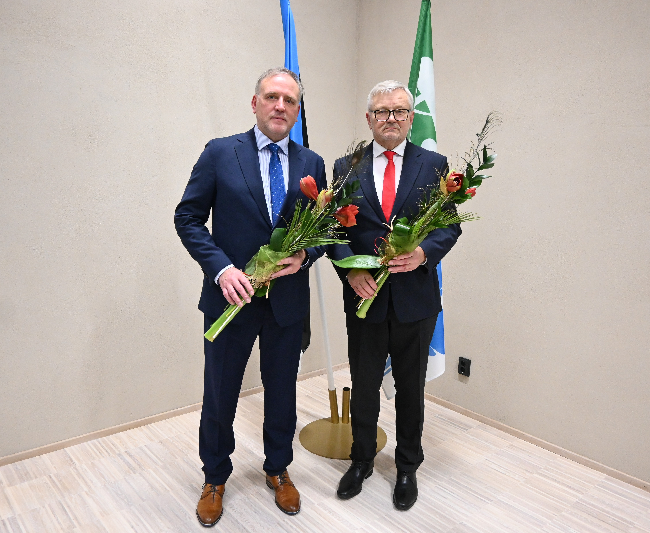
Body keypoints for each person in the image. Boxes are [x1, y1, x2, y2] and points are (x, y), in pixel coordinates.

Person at [174, 67, 326, 527]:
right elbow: (188, 218)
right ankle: (214, 477)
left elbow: (324, 231)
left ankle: (278, 468)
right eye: (273, 97)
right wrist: (221, 269)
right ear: (255, 102)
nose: (281, 106)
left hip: (286, 304)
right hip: (231, 300)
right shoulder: (220, 153)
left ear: (297, 111)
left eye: (290, 100)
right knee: (220, 394)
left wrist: (306, 256)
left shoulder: (312, 162)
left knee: (282, 393)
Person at [332, 80, 461, 511]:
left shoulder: (434, 165)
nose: (391, 118)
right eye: (383, 111)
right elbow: (332, 230)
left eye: (400, 111)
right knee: (364, 386)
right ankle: (362, 460)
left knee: (410, 390)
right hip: (364, 297)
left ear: (410, 118)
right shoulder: (345, 166)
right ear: (369, 118)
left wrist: (424, 254)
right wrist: (350, 270)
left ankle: (407, 466)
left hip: (415, 301)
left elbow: (449, 226)